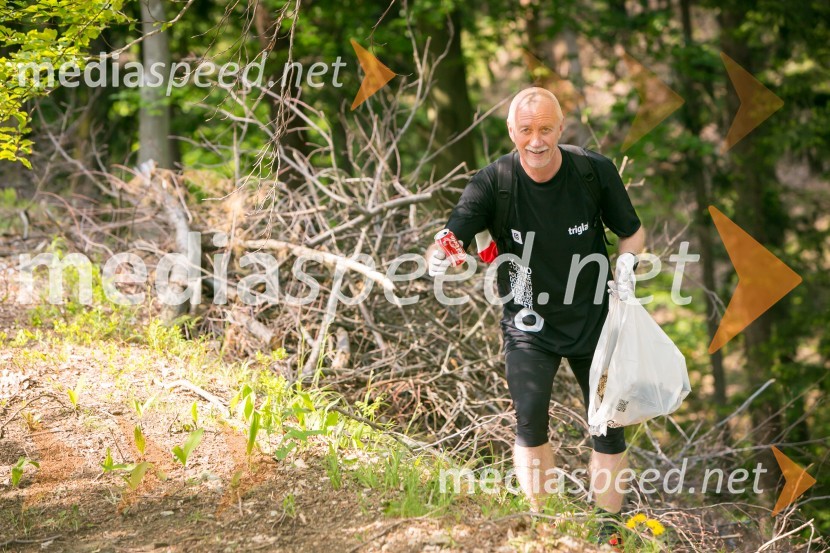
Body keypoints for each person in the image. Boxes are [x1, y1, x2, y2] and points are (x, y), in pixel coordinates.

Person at [426, 87, 645, 546]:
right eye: (526, 130)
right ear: (512, 131)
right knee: (529, 419)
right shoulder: (492, 182)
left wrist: (626, 266)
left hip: (594, 318)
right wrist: (445, 255)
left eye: (546, 129)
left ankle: (608, 532)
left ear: (560, 129)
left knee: (607, 426)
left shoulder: (592, 171)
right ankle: (542, 530)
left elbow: (632, 231)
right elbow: (453, 236)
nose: (537, 140)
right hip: (528, 322)